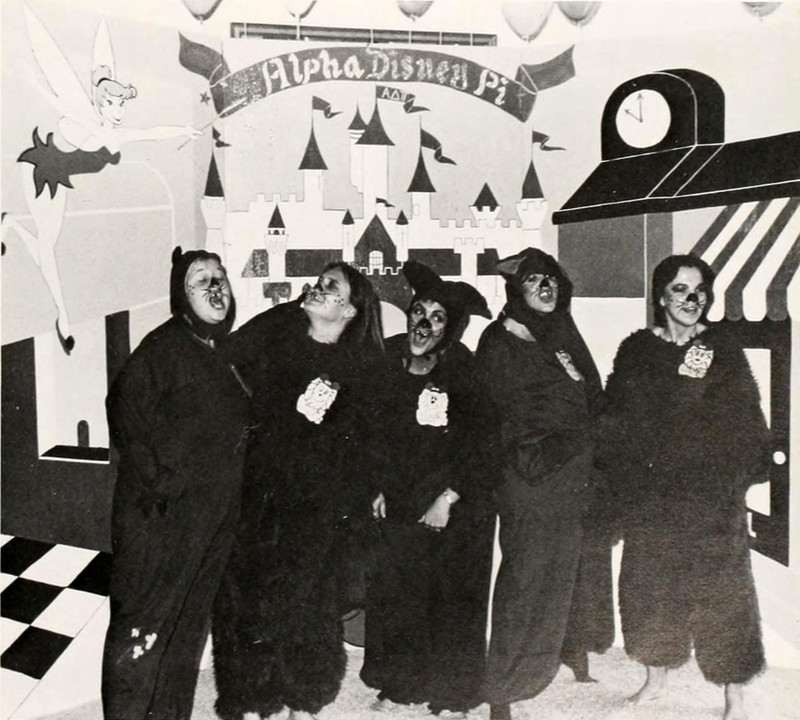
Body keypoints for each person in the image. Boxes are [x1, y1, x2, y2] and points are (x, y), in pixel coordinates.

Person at [212, 262, 384, 720]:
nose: (317, 287)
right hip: (258, 496)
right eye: (319, 281)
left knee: (306, 606)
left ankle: (304, 699)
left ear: (350, 310)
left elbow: (366, 450)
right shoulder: (279, 342)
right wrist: (292, 309)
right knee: (245, 601)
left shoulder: (359, 370)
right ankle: (250, 698)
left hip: (317, 509)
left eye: (331, 286)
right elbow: (229, 352)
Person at [603, 254, 769, 720]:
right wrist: (626, 483)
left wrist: (730, 482)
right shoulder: (636, 350)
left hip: (710, 496)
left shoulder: (723, 349)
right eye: (680, 288)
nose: (692, 298)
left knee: (725, 596)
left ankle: (734, 695)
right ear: (661, 296)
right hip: (653, 496)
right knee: (649, 587)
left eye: (699, 290)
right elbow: (615, 421)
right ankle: (655, 678)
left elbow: (748, 422)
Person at [101, 247, 249, 720]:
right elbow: (123, 409)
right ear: (180, 297)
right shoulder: (163, 348)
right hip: (161, 522)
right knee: (143, 632)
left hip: (209, 522)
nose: (215, 285)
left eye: (220, 277)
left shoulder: (224, 353)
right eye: (201, 279)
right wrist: (162, 486)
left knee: (186, 634)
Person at [2, 5, 199, 354]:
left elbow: (150, 132)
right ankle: (63, 320)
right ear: (100, 102)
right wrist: (32, 81)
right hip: (42, 170)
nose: (119, 112)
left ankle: (10, 226)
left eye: (121, 105)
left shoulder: (115, 134)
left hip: (60, 178)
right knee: (47, 249)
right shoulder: (87, 122)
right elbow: (59, 98)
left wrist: (182, 129)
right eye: (112, 104)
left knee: (47, 247)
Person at [475, 248, 608, 720]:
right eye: (533, 280)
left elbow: (593, 396)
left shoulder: (563, 335)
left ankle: (566, 654)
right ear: (516, 290)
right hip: (529, 475)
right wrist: (543, 450)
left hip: (573, 474)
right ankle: (502, 688)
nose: (545, 287)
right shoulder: (498, 339)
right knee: (525, 577)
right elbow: (492, 415)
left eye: (551, 279)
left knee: (568, 571)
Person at [360, 261, 495, 718]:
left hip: (453, 504)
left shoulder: (463, 368)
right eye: (419, 311)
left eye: (437, 318)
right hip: (400, 497)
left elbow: (482, 442)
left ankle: (453, 695)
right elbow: (370, 430)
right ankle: (401, 684)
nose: (424, 323)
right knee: (399, 593)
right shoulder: (388, 359)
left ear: (450, 328)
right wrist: (375, 486)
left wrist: (449, 497)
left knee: (450, 597)